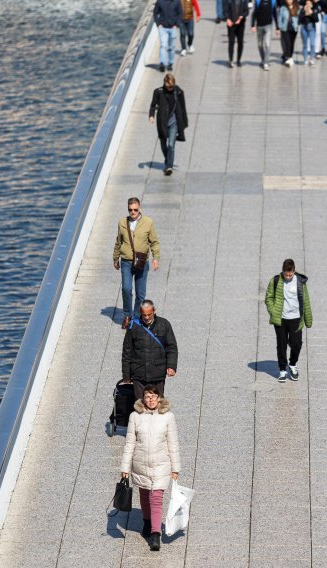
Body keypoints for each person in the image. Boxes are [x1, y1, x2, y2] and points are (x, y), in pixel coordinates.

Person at [120, 387, 181, 552]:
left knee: (156, 498)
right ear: (143, 399)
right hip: (140, 464)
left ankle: (155, 534)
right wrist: (125, 467)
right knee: (145, 494)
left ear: (159, 398)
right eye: (147, 396)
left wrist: (176, 467)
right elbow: (130, 443)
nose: (151, 399)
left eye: (154, 396)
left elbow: (173, 443)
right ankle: (147, 521)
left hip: (161, 465)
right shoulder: (135, 416)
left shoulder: (168, 417)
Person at [113, 198, 161, 328]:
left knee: (140, 293)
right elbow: (118, 241)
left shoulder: (148, 222)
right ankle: (127, 315)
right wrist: (115, 258)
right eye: (130, 210)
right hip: (126, 262)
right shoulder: (122, 222)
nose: (133, 212)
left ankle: (136, 316)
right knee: (126, 289)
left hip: (142, 262)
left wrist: (156, 258)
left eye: (135, 209)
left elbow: (154, 242)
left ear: (139, 208)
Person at [264, 259, 313, 382]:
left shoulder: (300, 282)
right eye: (286, 274)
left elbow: (305, 301)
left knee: (296, 344)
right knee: (281, 345)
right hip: (281, 319)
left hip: (296, 318)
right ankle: (282, 370)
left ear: (294, 271)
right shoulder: (275, 280)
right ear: (283, 271)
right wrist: (273, 311)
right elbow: (268, 297)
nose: (288, 277)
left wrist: (308, 319)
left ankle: (292, 364)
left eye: (290, 275)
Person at [122, 300, 178, 399]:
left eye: (149, 314)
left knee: (157, 403)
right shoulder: (133, 326)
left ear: (154, 311)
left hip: (158, 373)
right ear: (140, 312)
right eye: (144, 315)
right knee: (140, 404)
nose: (147, 318)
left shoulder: (164, 324)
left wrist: (171, 366)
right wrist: (126, 375)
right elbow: (127, 351)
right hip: (139, 373)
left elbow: (171, 347)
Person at [149, 73, 189, 176]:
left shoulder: (178, 91)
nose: (171, 88)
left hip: (174, 122)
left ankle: (169, 166)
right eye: (169, 86)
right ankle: (168, 160)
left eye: (172, 86)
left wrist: (184, 121)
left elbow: (182, 107)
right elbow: (153, 105)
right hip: (162, 123)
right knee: (163, 145)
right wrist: (151, 116)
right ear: (165, 83)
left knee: (171, 144)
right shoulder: (158, 92)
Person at [154, 0, 182, 72]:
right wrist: (158, 24)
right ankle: (162, 63)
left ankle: (170, 63)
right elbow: (155, 12)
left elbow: (180, 13)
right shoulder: (160, 1)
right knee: (163, 45)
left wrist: (176, 25)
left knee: (171, 47)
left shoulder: (176, 2)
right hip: (163, 28)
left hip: (173, 28)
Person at [251, 0, 277, 70]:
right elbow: (254, 13)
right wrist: (252, 25)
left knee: (267, 44)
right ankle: (263, 60)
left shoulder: (273, 1)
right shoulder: (258, 1)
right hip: (259, 26)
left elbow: (275, 13)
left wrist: (277, 28)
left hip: (268, 26)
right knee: (260, 45)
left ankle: (266, 62)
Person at [225, 0, 249, 67]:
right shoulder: (229, 1)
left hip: (240, 25)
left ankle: (238, 60)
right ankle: (231, 60)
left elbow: (246, 12)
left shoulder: (244, 1)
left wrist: (241, 17)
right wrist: (227, 19)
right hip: (231, 24)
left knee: (240, 42)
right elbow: (225, 10)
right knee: (231, 42)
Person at [277, 0, 300, 67]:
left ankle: (289, 57)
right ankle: (288, 57)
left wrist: (297, 25)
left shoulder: (296, 7)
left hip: (294, 28)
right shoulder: (283, 8)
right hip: (285, 28)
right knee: (287, 43)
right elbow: (279, 18)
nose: (289, 1)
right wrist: (280, 27)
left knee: (292, 44)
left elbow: (299, 17)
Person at [298, 0, 318, 65]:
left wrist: (311, 13)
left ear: (311, 4)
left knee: (312, 44)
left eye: (309, 3)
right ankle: (305, 59)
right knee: (305, 45)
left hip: (312, 28)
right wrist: (304, 12)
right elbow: (299, 20)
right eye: (306, 3)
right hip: (304, 28)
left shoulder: (314, 9)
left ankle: (311, 59)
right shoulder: (302, 10)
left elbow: (317, 19)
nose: (308, 4)